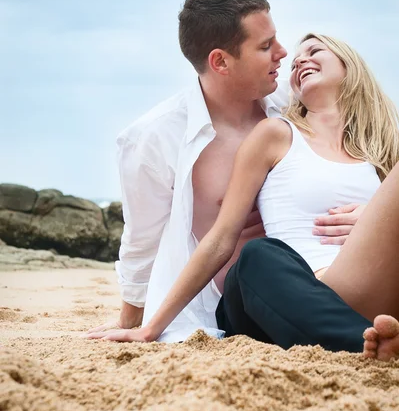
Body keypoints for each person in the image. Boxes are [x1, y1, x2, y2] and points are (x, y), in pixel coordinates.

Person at [86, 31, 399, 362]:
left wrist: (372, 216)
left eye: (314, 50)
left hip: (372, 288)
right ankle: (365, 345)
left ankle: (374, 340)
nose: (299, 60)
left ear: (348, 65)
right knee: (256, 257)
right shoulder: (276, 134)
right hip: (294, 296)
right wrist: (150, 327)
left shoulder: (378, 154)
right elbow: (221, 239)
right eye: (296, 60)